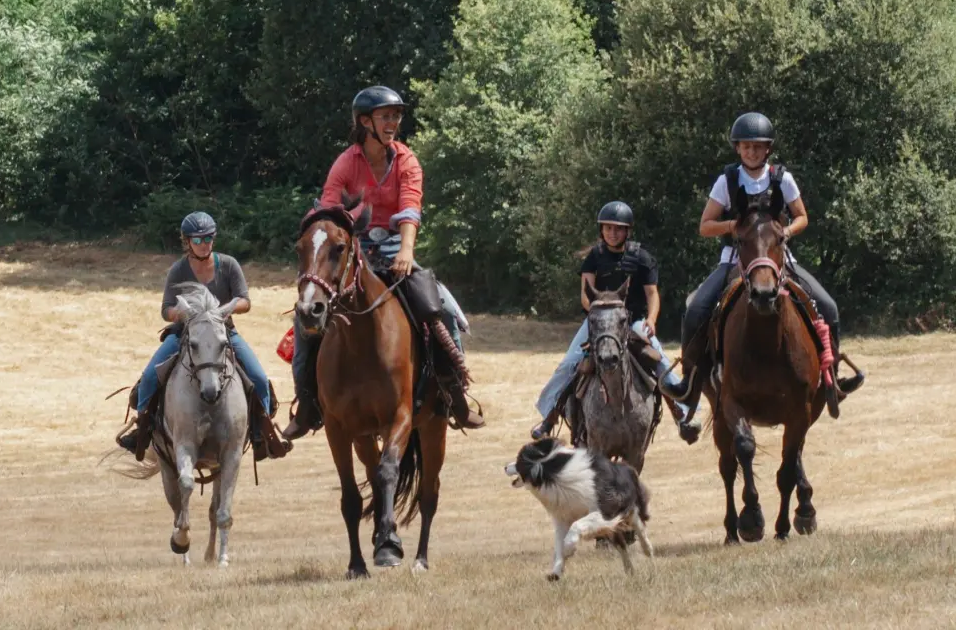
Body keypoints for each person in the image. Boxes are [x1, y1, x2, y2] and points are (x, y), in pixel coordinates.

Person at [280, 85, 484, 440]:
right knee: (304, 319)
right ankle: (309, 402)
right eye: (386, 116)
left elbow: (410, 207)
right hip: (352, 249)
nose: (393, 122)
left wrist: (406, 250)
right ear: (365, 121)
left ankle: (454, 394)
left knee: (443, 308)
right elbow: (331, 212)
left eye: (396, 116)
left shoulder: (407, 161)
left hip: (394, 247)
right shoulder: (345, 163)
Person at [662, 112, 863, 420]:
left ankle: (831, 379)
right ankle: (690, 383)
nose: (752, 152)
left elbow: (802, 216)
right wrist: (734, 226)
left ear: (768, 149)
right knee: (696, 309)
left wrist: (787, 232)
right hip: (735, 258)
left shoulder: (782, 178)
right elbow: (705, 226)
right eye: (746, 147)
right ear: (737, 149)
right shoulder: (726, 180)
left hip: (777, 257)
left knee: (829, 307)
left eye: (758, 147)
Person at [116, 212, 291, 462]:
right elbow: (166, 310)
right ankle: (142, 430)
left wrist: (228, 308)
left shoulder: (229, 265)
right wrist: (181, 313)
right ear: (187, 242)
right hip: (185, 334)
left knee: (260, 379)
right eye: (198, 240)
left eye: (208, 238)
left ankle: (263, 432)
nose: (204, 244)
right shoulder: (178, 270)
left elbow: (245, 301)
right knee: (148, 378)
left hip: (223, 333)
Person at [528, 201, 691, 439]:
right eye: (608, 228)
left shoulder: (642, 258)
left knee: (660, 361)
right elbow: (586, 293)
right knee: (569, 364)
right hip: (598, 321)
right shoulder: (594, 257)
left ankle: (682, 414)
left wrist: (652, 320)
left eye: (618, 229)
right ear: (601, 230)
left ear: (627, 231)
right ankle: (549, 416)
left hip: (631, 321)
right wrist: (599, 311)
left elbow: (652, 294)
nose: (612, 233)